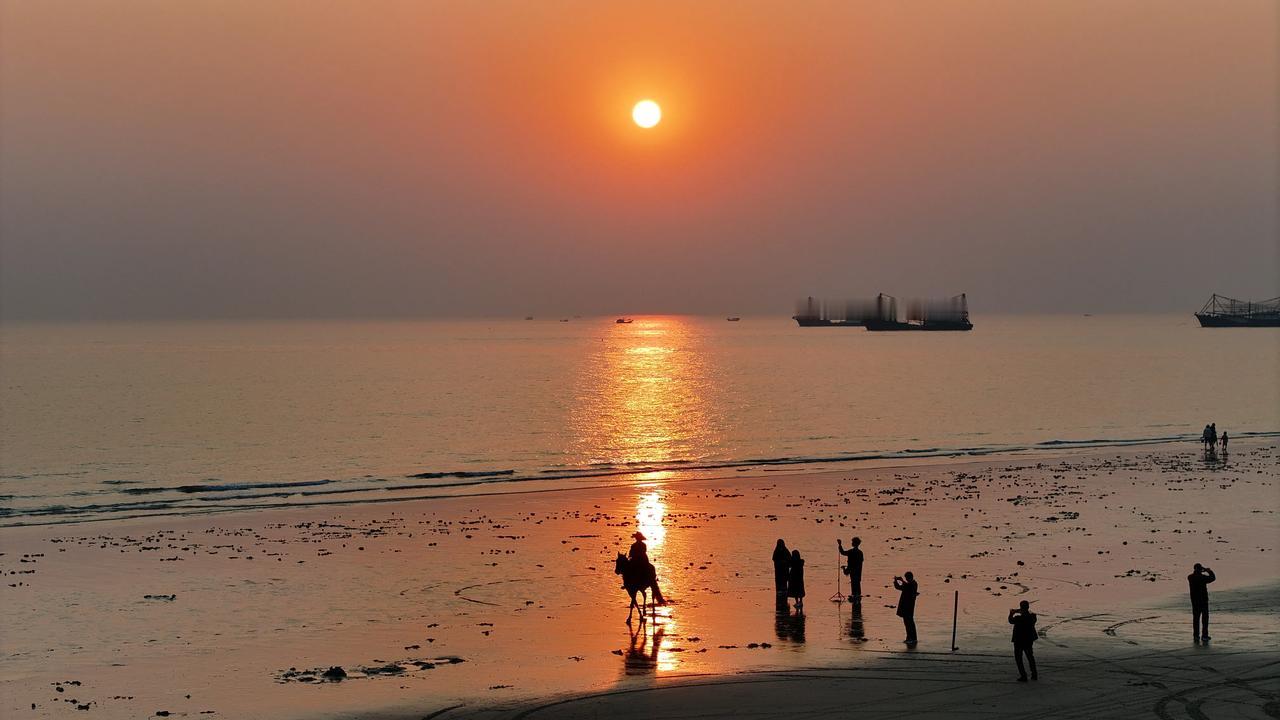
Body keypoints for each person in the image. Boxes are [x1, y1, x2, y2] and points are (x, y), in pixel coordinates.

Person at [628, 531, 666, 605]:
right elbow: (631, 554)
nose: (637, 539)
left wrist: (634, 556)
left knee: (646, 567)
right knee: (627, 569)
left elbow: (642, 552)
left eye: (638, 538)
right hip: (636, 560)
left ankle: (650, 580)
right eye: (637, 538)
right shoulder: (635, 545)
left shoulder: (642, 545)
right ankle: (628, 582)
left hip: (642, 560)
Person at [1009, 600, 1038, 681]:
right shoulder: (1032, 617)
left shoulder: (1018, 618)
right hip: (1028, 639)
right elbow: (1030, 614)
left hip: (1019, 640)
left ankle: (1023, 676)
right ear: (1028, 607)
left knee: (1019, 658)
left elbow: (1010, 621)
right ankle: (1034, 674)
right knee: (1030, 657)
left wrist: (1012, 613)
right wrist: (1020, 611)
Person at [1189, 563, 1216, 640]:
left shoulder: (1190, 577)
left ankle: (1196, 635)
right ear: (1200, 569)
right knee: (1205, 619)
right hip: (1203, 600)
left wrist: (1202, 570)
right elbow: (1213, 578)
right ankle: (1204, 635)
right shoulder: (1202, 577)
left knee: (1196, 619)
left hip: (1194, 601)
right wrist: (1208, 571)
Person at [893, 571, 919, 645]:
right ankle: (910, 638)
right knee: (908, 623)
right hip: (907, 606)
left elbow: (903, 587)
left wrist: (900, 581)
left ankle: (912, 638)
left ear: (909, 577)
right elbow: (900, 587)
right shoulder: (911, 584)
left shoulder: (912, 584)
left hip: (908, 607)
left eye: (907, 578)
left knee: (909, 623)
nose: (906, 579)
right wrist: (897, 581)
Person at [837, 536, 864, 602]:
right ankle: (857, 599)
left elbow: (842, 552)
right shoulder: (860, 552)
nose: (851, 543)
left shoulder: (851, 552)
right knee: (857, 585)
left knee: (854, 585)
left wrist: (840, 544)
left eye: (852, 542)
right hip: (858, 572)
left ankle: (855, 598)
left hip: (852, 571)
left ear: (854, 543)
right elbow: (861, 561)